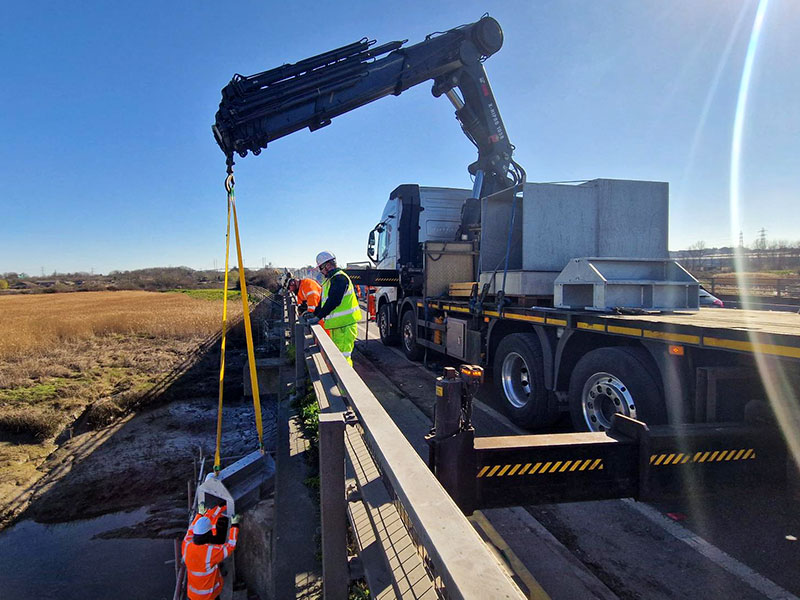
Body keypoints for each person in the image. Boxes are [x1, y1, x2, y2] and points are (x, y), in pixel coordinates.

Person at [304, 251, 362, 366]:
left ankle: (346, 383)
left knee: (343, 361)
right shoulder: (331, 280)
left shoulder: (339, 279)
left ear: (327, 265)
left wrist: (318, 317)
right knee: (338, 360)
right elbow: (324, 302)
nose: (321, 271)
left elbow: (333, 301)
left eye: (321, 268)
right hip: (339, 327)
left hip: (345, 327)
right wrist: (315, 313)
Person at [182, 502, 241, 600]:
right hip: (209, 596)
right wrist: (235, 525)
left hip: (192, 595)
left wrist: (200, 514)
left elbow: (191, 530)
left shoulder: (186, 545)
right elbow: (231, 546)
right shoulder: (210, 553)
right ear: (209, 535)